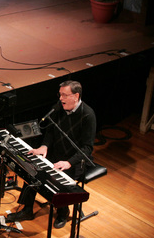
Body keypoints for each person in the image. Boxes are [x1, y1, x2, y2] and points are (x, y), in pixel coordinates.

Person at [7, 80, 96, 229]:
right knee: (32, 169)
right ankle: (27, 209)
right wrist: (44, 146)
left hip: (74, 161)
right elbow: (50, 130)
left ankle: (63, 212)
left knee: (58, 181)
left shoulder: (88, 115)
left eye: (64, 95)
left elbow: (87, 148)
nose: (61, 99)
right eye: (60, 94)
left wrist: (68, 162)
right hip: (54, 153)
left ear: (76, 96)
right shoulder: (58, 108)